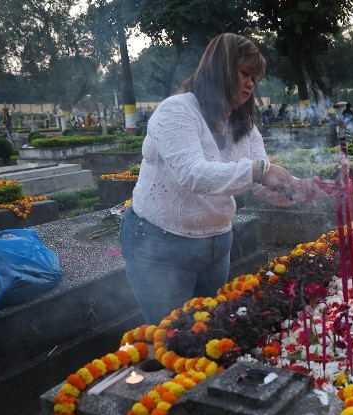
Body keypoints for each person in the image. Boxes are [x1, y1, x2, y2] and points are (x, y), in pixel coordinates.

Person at [120, 33, 319, 325]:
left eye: (254, 77)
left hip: (215, 244)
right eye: (244, 74)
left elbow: (260, 183)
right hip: (161, 243)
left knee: (209, 330)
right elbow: (193, 173)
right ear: (220, 71)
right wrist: (260, 170)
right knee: (173, 336)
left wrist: (297, 189)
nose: (251, 84)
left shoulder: (244, 126)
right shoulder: (176, 111)